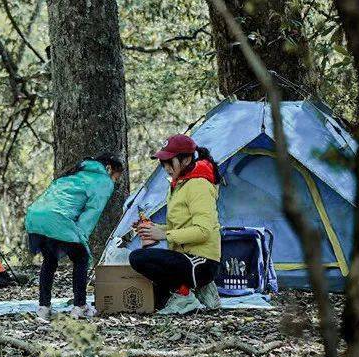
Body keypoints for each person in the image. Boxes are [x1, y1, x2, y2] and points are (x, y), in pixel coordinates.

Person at [25, 153, 125, 320]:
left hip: (35, 217)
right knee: (81, 258)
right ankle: (79, 307)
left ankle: (43, 307)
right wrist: (82, 237)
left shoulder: (73, 175)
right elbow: (93, 212)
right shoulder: (103, 181)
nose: (115, 181)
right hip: (58, 219)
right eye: (116, 176)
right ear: (109, 169)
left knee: (49, 260)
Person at [131, 134, 222, 314]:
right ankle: (201, 289)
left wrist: (164, 235)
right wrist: (154, 229)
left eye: (169, 162)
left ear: (187, 159)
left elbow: (203, 231)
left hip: (202, 262)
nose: (165, 168)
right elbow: (181, 227)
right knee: (157, 298)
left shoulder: (199, 185)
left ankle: (186, 296)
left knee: (138, 258)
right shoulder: (180, 184)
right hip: (185, 257)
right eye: (163, 163)